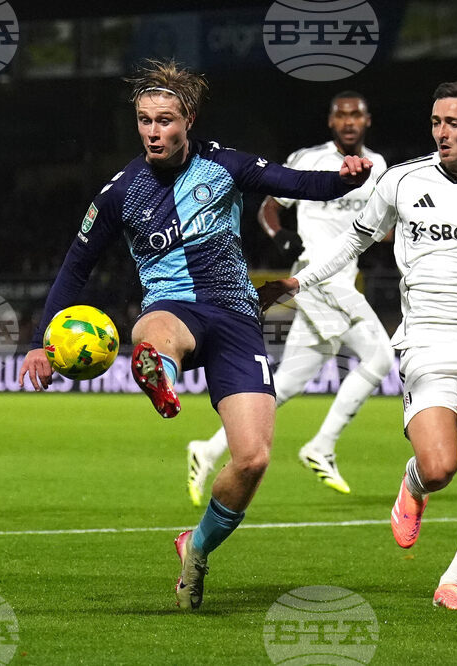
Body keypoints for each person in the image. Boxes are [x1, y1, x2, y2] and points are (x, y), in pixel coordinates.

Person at [17, 60, 372, 611]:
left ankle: (197, 546)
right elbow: (75, 266)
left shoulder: (225, 165)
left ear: (189, 119)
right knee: (154, 332)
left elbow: (296, 182)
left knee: (252, 459)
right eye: (143, 121)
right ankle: (157, 369)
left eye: (164, 120)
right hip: (175, 308)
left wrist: (347, 178)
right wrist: (43, 341)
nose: (153, 132)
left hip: (236, 317)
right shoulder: (120, 193)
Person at [260, 81, 457, 611]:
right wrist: (298, 283)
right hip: (426, 342)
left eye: (454, 124)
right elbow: (351, 242)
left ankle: (452, 582)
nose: (442, 133)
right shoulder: (400, 180)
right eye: (436, 123)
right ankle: (415, 483)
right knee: (441, 467)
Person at [185, 91, 392, 505]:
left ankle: (206, 450)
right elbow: (268, 209)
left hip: (344, 279)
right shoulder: (309, 159)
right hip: (317, 276)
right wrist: (281, 238)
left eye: (357, 115)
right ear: (331, 122)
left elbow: (380, 227)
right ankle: (322, 446)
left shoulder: (378, 166)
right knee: (382, 357)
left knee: (284, 385)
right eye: (342, 115)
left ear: (367, 121)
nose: (349, 121)